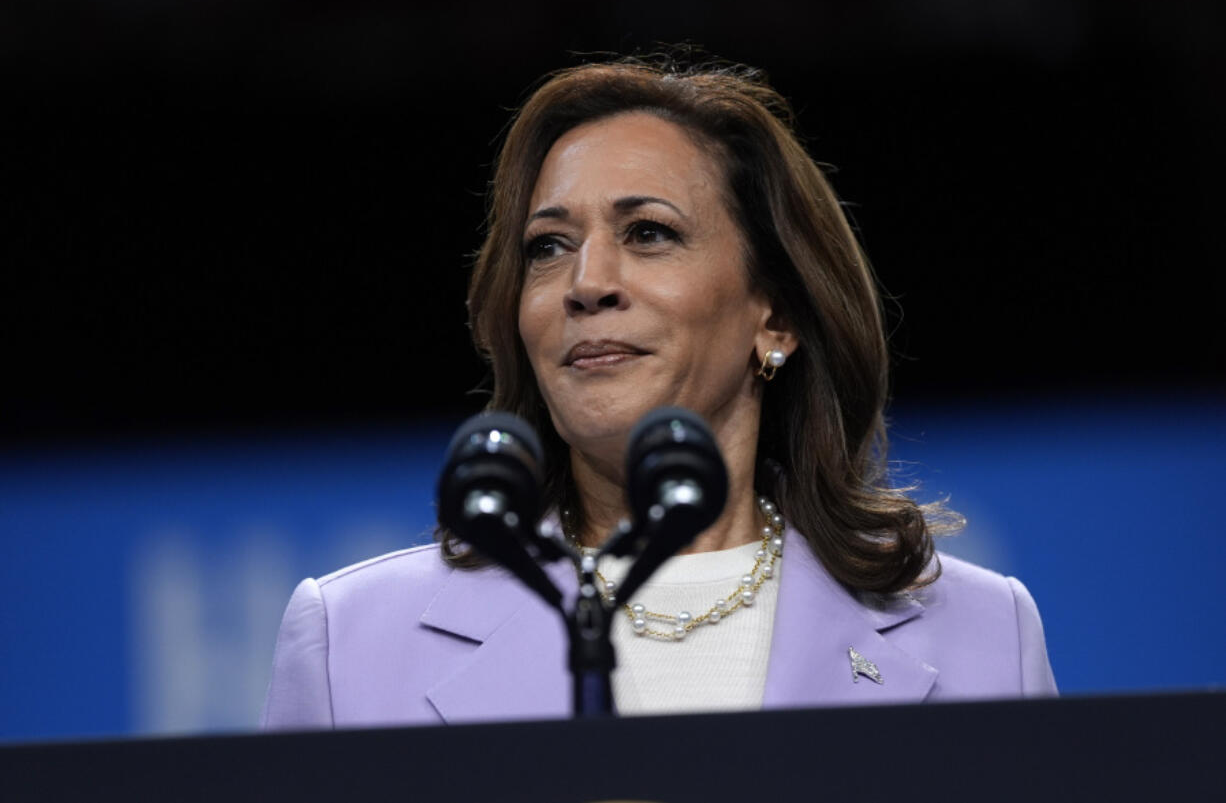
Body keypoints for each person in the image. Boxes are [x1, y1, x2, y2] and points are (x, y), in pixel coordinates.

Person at [261, 55, 1056, 729]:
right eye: (548, 247)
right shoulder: (351, 644)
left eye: (648, 233)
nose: (587, 283)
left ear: (774, 315)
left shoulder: (983, 634)